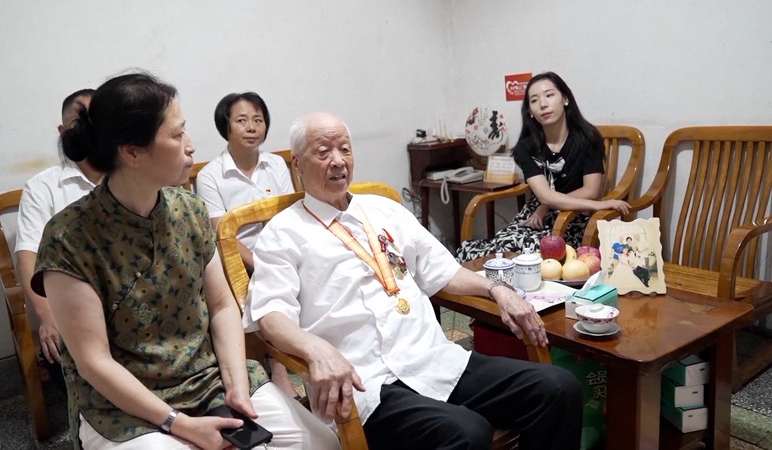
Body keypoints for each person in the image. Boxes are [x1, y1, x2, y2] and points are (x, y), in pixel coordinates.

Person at [30, 73, 338, 450]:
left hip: (208, 380)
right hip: (123, 406)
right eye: (177, 135)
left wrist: (237, 387)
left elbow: (222, 305)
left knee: (321, 443)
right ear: (132, 152)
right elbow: (94, 362)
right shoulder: (69, 238)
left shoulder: (189, 209)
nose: (191, 145)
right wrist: (179, 424)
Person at [244, 112, 583, 450]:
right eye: (323, 152)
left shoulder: (384, 210)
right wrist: (315, 349)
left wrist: (496, 289)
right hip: (366, 384)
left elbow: (443, 271)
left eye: (345, 149)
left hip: (433, 360)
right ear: (297, 165)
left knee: (559, 389)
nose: (338, 161)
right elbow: (271, 316)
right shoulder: (282, 233)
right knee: (468, 433)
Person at [457, 72, 630, 262]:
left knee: (528, 256)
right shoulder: (526, 148)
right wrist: (594, 205)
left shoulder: (588, 139)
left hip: (574, 214)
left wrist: (546, 205)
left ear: (565, 99)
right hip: (536, 217)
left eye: (549, 95)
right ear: (530, 111)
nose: (543, 104)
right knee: (490, 253)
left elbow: (590, 190)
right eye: (534, 100)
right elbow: (545, 195)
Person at [195, 92, 299, 398]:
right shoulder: (211, 175)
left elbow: (287, 216)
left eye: (258, 120)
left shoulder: (276, 164)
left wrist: (277, 258)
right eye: (242, 120)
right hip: (235, 260)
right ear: (225, 127)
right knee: (264, 281)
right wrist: (260, 263)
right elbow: (222, 233)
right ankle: (278, 369)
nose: (252, 127)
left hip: (279, 250)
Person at [15, 88, 103, 381]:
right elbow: (28, 255)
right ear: (63, 132)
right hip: (74, 309)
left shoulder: (127, 175)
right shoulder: (43, 187)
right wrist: (47, 316)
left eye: (97, 120)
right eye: (80, 122)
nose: (89, 129)